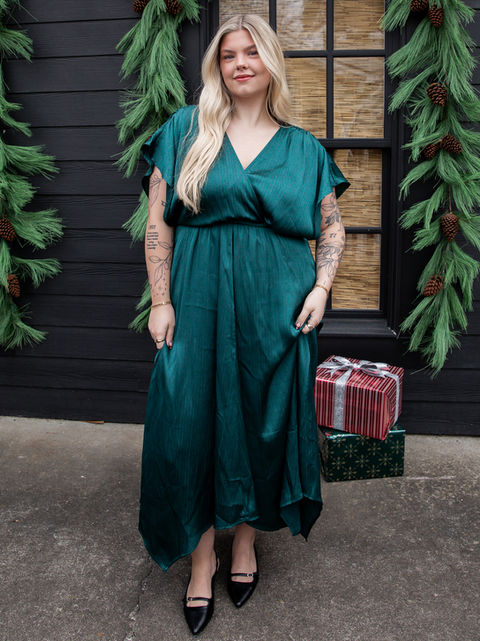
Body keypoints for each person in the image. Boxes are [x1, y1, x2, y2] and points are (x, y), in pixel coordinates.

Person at [138, 13, 350, 636]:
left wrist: (321, 287)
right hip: (197, 295)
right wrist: (160, 300)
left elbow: (331, 226)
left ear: (270, 63)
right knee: (189, 420)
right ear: (218, 66)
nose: (240, 63)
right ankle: (201, 559)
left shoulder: (303, 147)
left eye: (251, 53)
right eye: (229, 54)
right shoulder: (186, 130)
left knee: (264, 418)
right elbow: (159, 223)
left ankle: (246, 544)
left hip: (276, 302)